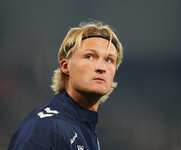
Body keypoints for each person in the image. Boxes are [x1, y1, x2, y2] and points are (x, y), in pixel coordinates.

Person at [8, 21, 123, 150]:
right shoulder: (46, 127)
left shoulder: (84, 129)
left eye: (109, 60)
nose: (102, 68)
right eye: (89, 56)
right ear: (65, 66)